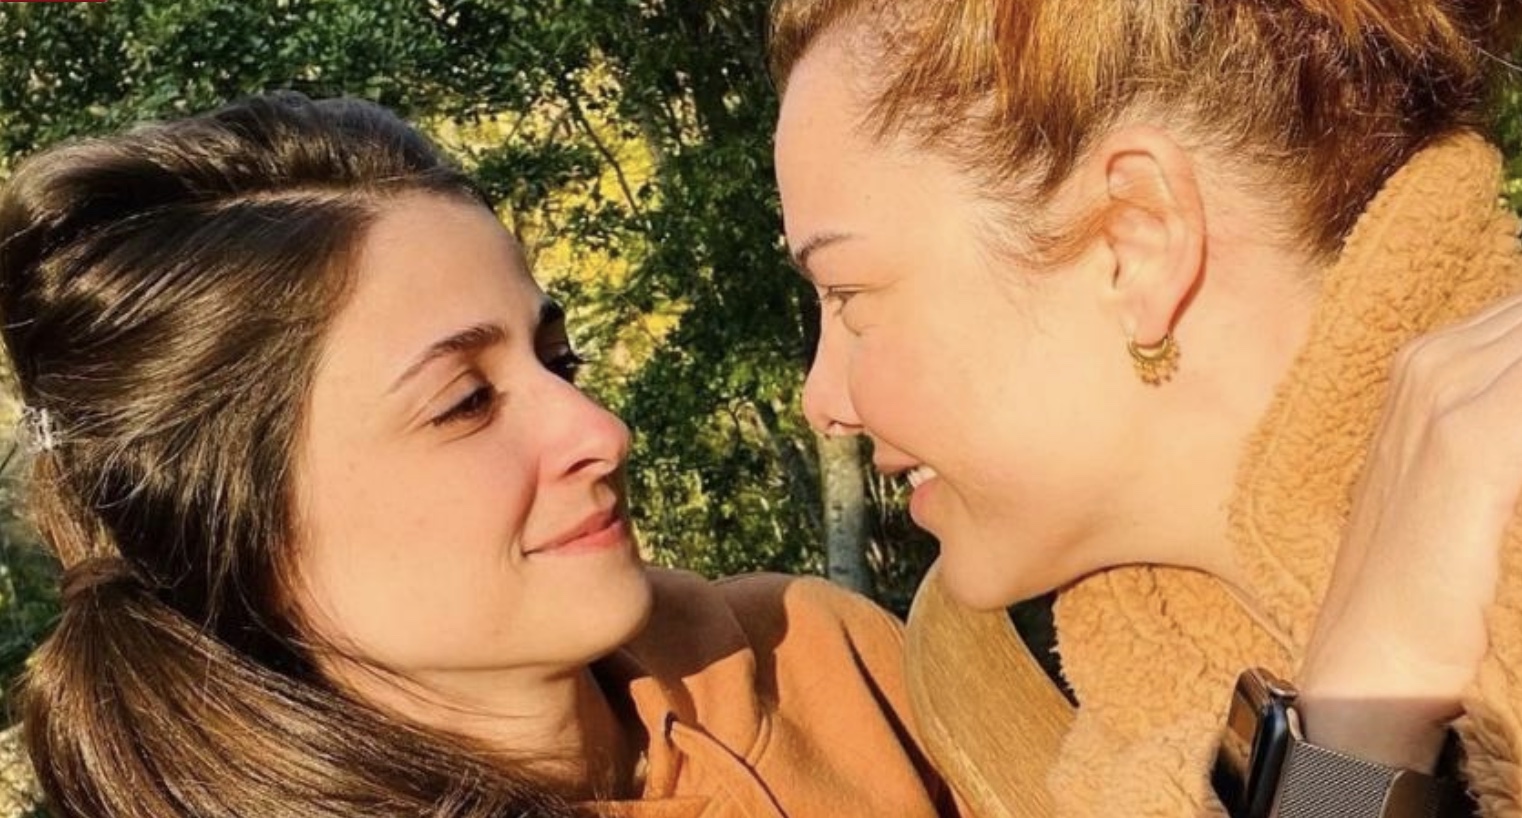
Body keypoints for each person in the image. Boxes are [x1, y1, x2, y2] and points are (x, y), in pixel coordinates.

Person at [0, 92, 956, 818]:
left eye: (558, 359)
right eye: (465, 402)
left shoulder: (823, 664)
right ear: (239, 531)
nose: (601, 431)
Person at [769, 0, 1522, 814]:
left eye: (848, 294)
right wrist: (1354, 736)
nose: (822, 401)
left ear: (1136, 242)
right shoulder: (1136, 749)